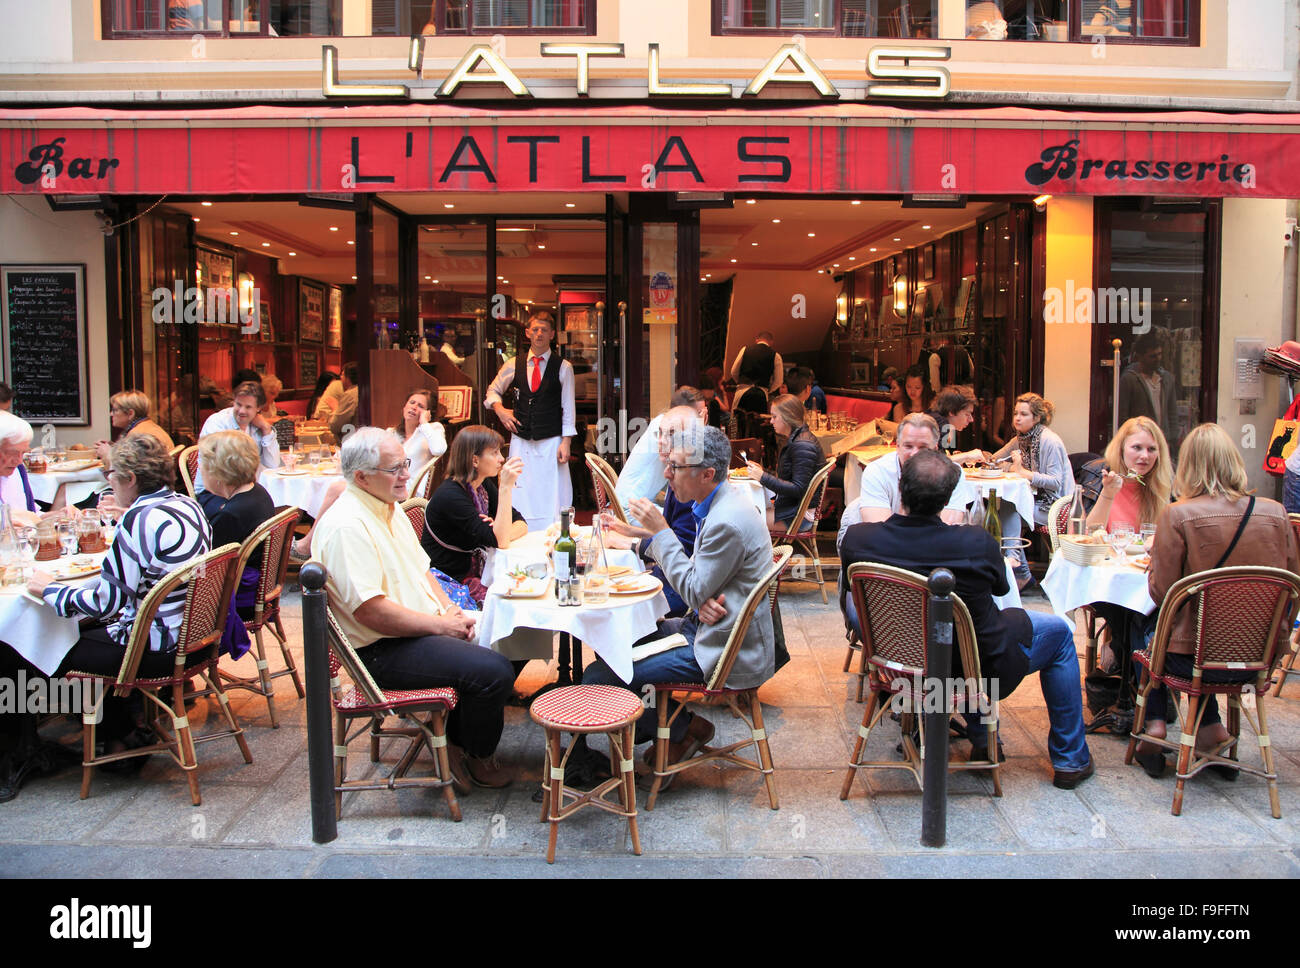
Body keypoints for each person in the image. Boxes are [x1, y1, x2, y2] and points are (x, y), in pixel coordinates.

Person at [840, 449, 1095, 789]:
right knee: (1058, 634)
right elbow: (1002, 587)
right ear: (949, 496)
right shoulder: (974, 543)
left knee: (961, 634)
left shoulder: (859, 540)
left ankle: (984, 736)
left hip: (897, 662)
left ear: (900, 488)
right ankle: (1069, 760)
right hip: (974, 668)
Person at [311, 426, 516, 789]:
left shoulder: (388, 509)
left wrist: (450, 610)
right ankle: (469, 750)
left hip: (420, 627)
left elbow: (424, 571)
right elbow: (371, 613)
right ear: (361, 476)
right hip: (382, 650)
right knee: (494, 671)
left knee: (513, 638)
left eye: (404, 464)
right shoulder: (348, 525)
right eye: (395, 469)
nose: (407, 473)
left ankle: (457, 736)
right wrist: (441, 627)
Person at [11, 436, 211, 787]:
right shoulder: (185, 505)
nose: (109, 480)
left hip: (156, 646)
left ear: (130, 478)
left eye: (112, 473)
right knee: (80, 634)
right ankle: (123, 732)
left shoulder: (139, 519)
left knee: (38, 646)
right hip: (191, 636)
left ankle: (20, 752)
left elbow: (109, 603)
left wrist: (51, 591)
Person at [583, 425, 776, 770]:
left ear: (707, 474)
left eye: (676, 467)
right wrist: (640, 536)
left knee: (600, 675)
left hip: (721, 648)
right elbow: (698, 581)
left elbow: (692, 586)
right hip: (708, 624)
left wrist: (661, 532)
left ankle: (680, 730)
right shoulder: (717, 500)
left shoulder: (726, 520)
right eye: (668, 463)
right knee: (611, 643)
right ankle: (682, 729)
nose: (667, 474)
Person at [1133, 423, 1300, 778]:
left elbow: (1162, 593)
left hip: (1190, 660)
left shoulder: (1177, 515)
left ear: (1188, 466)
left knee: (1145, 624)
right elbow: (1292, 586)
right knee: (1194, 636)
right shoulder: (1275, 513)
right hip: (1257, 658)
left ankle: (1156, 723)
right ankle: (1210, 729)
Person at [485, 311, 576, 531]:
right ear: (527, 333)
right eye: (535, 329)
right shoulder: (513, 365)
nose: (539, 334)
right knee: (520, 488)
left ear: (552, 334)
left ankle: (554, 532)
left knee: (551, 490)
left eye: (544, 330)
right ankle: (519, 529)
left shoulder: (563, 367)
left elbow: (568, 408)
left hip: (551, 440)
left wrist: (566, 441)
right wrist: (501, 411)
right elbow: (492, 392)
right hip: (521, 439)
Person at [838, 413, 975, 551]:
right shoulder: (878, 471)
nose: (915, 454)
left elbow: (946, 529)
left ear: (935, 450)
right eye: (908, 446)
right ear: (897, 446)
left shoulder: (951, 473)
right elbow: (878, 531)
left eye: (923, 448)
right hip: (888, 551)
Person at [422, 425, 526, 605]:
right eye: (494, 453)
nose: (501, 459)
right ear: (475, 460)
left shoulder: (482, 487)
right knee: (515, 600)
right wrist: (506, 488)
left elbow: (520, 523)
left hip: (478, 573)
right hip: (450, 583)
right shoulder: (451, 496)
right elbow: (500, 541)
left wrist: (499, 529)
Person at [990, 392, 1075, 588]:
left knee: (1012, 508)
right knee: (1002, 507)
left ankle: (1014, 564)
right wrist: (998, 463)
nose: (1017, 418)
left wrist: (1022, 472)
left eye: (1024, 414)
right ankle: (1020, 572)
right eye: (1015, 413)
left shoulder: (1049, 441)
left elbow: (1055, 482)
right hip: (1034, 500)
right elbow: (997, 458)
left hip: (1055, 505)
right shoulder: (1021, 438)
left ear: (1036, 418)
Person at [198, 431, 277, 623]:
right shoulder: (257, 492)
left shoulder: (230, 515)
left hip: (237, 598)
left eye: (203, 462)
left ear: (218, 471)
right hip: (262, 587)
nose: (199, 467)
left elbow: (206, 572)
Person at [615, 394, 707, 512]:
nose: (701, 417)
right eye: (699, 413)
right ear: (682, 411)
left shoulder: (665, 423)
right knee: (697, 515)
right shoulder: (668, 427)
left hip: (638, 500)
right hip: (630, 506)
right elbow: (693, 459)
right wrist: (699, 429)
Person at [746, 394, 824, 532]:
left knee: (742, 519)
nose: (771, 421)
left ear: (788, 417)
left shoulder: (802, 444)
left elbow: (798, 489)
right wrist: (763, 472)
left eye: (774, 417)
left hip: (799, 517)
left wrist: (763, 477)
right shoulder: (799, 439)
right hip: (792, 509)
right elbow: (789, 479)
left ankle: (759, 553)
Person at [195, 380, 280, 500]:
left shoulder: (258, 426)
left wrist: (266, 429)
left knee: (279, 502)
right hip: (214, 492)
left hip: (245, 491)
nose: (242, 411)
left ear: (258, 408)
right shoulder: (217, 423)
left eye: (248, 407)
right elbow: (222, 470)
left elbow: (272, 465)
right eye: (238, 404)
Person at [1118, 332, 1178, 450]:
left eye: (1159, 354)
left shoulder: (1167, 379)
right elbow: (1122, 415)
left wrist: (1173, 438)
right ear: (1140, 357)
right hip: (1139, 441)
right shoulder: (1129, 379)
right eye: (1152, 356)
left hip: (1162, 440)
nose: (1158, 359)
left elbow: (1172, 412)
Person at [93, 390, 174, 468]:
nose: (111, 414)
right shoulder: (148, 426)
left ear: (130, 413)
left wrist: (108, 454)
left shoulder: (138, 435)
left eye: (115, 410)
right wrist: (113, 447)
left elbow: (127, 473)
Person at [391, 387, 448, 471]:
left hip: (413, 483)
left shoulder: (434, 428)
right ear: (404, 407)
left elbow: (439, 450)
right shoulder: (392, 433)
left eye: (420, 406)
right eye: (412, 402)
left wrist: (424, 422)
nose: (414, 407)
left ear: (428, 413)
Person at [0, 411, 41, 525]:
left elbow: (32, 515)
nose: (19, 461)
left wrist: (57, 516)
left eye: (23, 453)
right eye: (12, 453)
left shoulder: (18, 471)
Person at [729, 330, 783, 414]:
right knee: (759, 423)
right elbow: (779, 381)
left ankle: (734, 427)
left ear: (757, 340)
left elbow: (733, 371)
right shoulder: (776, 355)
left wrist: (741, 383)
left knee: (735, 422)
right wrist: (768, 390)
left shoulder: (745, 349)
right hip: (761, 394)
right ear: (771, 342)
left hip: (742, 391)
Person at [927, 385, 983, 463]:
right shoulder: (940, 422)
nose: (971, 420)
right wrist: (967, 456)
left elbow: (945, 456)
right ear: (952, 411)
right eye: (967, 414)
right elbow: (937, 463)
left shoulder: (948, 426)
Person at [328, 362, 360, 442]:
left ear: (348, 378)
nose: (340, 377)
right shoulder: (368, 391)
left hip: (353, 445)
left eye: (342, 375)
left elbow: (334, 426)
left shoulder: (350, 395)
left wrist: (335, 408)